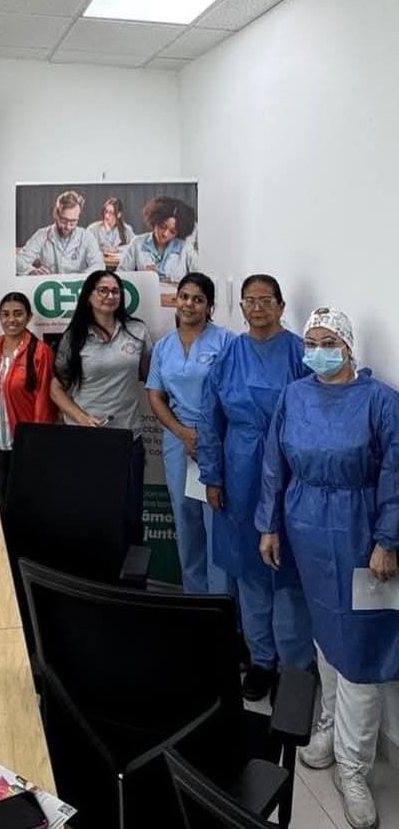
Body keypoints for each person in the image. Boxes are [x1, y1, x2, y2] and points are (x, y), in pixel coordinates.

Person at [258, 308, 399, 829]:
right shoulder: (294, 395)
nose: (317, 350)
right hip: (305, 524)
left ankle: (354, 768)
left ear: (348, 345)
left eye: (328, 341)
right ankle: (329, 727)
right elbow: (274, 464)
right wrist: (270, 526)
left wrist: (388, 539)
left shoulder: (380, 400)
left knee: (359, 645)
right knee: (324, 633)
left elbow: (396, 472)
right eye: (310, 342)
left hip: (359, 529)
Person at [197, 274, 314, 700]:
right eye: (250, 300)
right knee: (248, 569)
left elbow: (316, 410)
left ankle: (295, 667)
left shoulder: (301, 353)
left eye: (266, 300)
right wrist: (212, 475)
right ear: (241, 307)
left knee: (290, 570)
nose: (258, 307)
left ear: (281, 306)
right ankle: (262, 660)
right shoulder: (229, 354)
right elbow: (209, 418)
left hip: (291, 467)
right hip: (241, 468)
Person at [146, 273, 233, 594]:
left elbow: (234, 395)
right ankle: (194, 598)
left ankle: (221, 601)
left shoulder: (226, 342)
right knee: (185, 519)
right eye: (184, 297)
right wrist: (182, 433)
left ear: (209, 306)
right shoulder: (164, 346)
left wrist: (207, 437)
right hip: (177, 439)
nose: (189, 304)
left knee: (217, 519)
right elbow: (155, 395)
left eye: (198, 299)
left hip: (218, 440)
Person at [50, 270, 153, 544]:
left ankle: (130, 571)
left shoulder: (137, 330)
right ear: (89, 296)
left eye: (115, 291)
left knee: (131, 516)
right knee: (90, 513)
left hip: (128, 437)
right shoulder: (74, 337)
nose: (110, 296)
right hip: (86, 439)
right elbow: (56, 389)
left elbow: (149, 376)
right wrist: (82, 418)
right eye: (103, 290)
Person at [0, 292, 56, 507]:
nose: (11, 319)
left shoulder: (41, 352)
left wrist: (37, 444)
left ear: (29, 317)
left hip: (24, 446)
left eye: (18, 314)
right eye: (6, 314)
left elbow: (44, 403)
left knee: (24, 505)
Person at [16, 189, 105, 276]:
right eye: (63, 220)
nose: (68, 227)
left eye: (73, 221)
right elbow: (19, 261)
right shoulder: (41, 235)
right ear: (56, 215)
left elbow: (99, 266)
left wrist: (78, 278)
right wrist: (32, 271)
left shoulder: (87, 237)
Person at [118, 195, 198, 283]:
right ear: (155, 221)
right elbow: (120, 275)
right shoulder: (137, 243)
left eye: (172, 232)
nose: (165, 234)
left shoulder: (185, 248)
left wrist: (172, 280)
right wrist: (141, 276)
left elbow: (200, 280)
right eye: (162, 227)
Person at [87, 196, 135, 270]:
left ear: (119, 214)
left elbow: (134, 247)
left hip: (120, 268)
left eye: (111, 213)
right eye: (106, 211)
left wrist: (118, 250)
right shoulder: (92, 229)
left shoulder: (126, 230)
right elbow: (86, 249)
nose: (107, 216)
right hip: (98, 267)